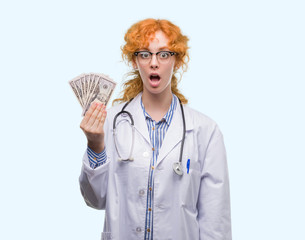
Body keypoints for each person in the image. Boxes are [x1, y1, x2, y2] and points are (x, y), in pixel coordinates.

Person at [78, 18, 231, 240]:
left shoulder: (206, 131)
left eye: (164, 54)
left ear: (177, 61)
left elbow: (215, 223)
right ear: (134, 61)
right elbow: (96, 199)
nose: (154, 62)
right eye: (145, 54)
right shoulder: (110, 121)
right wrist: (95, 145)